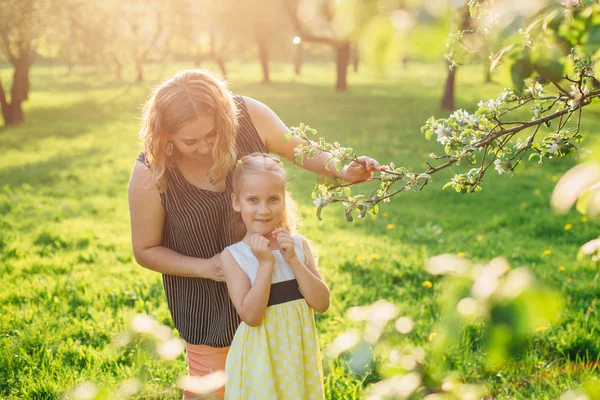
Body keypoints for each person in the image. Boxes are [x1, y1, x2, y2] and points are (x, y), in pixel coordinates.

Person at [127, 69, 380, 399]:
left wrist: (342, 169)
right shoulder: (151, 170)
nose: (205, 147)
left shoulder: (248, 116)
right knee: (213, 387)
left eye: (212, 134)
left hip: (275, 293)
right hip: (208, 305)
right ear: (166, 136)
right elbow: (145, 249)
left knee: (277, 383)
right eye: (190, 141)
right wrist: (208, 268)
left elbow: (300, 149)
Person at [222, 153, 329, 399]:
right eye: (253, 200)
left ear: (283, 201)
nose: (264, 209)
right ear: (236, 202)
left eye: (272, 199)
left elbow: (322, 303)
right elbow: (251, 316)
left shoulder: (298, 246)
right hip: (261, 360)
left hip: (298, 357)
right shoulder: (234, 256)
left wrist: (292, 259)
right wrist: (265, 265)